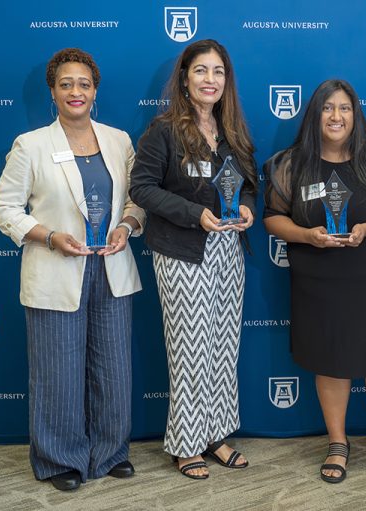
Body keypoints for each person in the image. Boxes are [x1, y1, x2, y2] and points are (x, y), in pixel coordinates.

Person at [0, 48, 145, 491]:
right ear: (53, 92)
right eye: (66, 84)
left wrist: (129, 225)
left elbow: (138, 198)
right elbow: (2, 208)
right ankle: (60, 460)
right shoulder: (31, 144)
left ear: (95, 91)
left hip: (111, 267)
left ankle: (110, 452)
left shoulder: (119, 140)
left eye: (84, 84)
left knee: (114, 369)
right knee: (57, 371)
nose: (75, 91)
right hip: (57, 267)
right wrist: (48, 236)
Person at [263, 79, 366, 490]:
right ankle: (337, 443)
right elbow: (272, 217)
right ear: (314, 115)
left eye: (345, 108)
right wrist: (307, 235)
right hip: (318, 281)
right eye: (327, 108)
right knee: (330, 362)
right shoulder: (289, 164)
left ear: (356, 114)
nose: (336, 117)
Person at [129, 39, 256, 480]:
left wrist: (247, 208)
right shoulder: (163, 130)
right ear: (185, 78)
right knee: (190, 349)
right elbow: (141, 188)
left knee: (223, 347)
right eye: (201, 71)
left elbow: (250, 186)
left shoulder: (232, 131)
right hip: (183, 251)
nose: (210, 80)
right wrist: (193, 214)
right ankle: (186, 444)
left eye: (218, 71)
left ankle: (216, 435)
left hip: (228, 251)